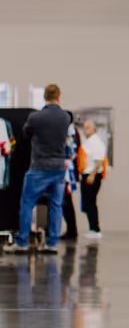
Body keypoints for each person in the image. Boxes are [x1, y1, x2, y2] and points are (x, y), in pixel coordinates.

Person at [5, 84, 70, 254]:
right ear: (59, 97)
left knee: (27, 203)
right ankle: (52, 243)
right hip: (58, 168)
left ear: (44, 97)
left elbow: (25, 135)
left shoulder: (36, 118)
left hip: (39, 167)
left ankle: (22, 242)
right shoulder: (65, 117)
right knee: (56, 205)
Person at [79, 121, 107, 239]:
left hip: (92, 175)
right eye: (84, 128)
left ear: (94, 129)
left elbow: (99, 161)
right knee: (87, 202)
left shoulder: (96, 143)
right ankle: (92, 228)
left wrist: (92, 174)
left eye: (88, 128)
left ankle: (95, 229)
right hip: (86, 174)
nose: (86, 130)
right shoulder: (88, 142)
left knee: (90, 202)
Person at [60, 120, 80, 241]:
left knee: (65, 202)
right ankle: (72, 230)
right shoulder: (73, 132)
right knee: (66, 202)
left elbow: (70, 152)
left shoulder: (70, 132)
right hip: (68, 172)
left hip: (66, 172)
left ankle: (72, 230)